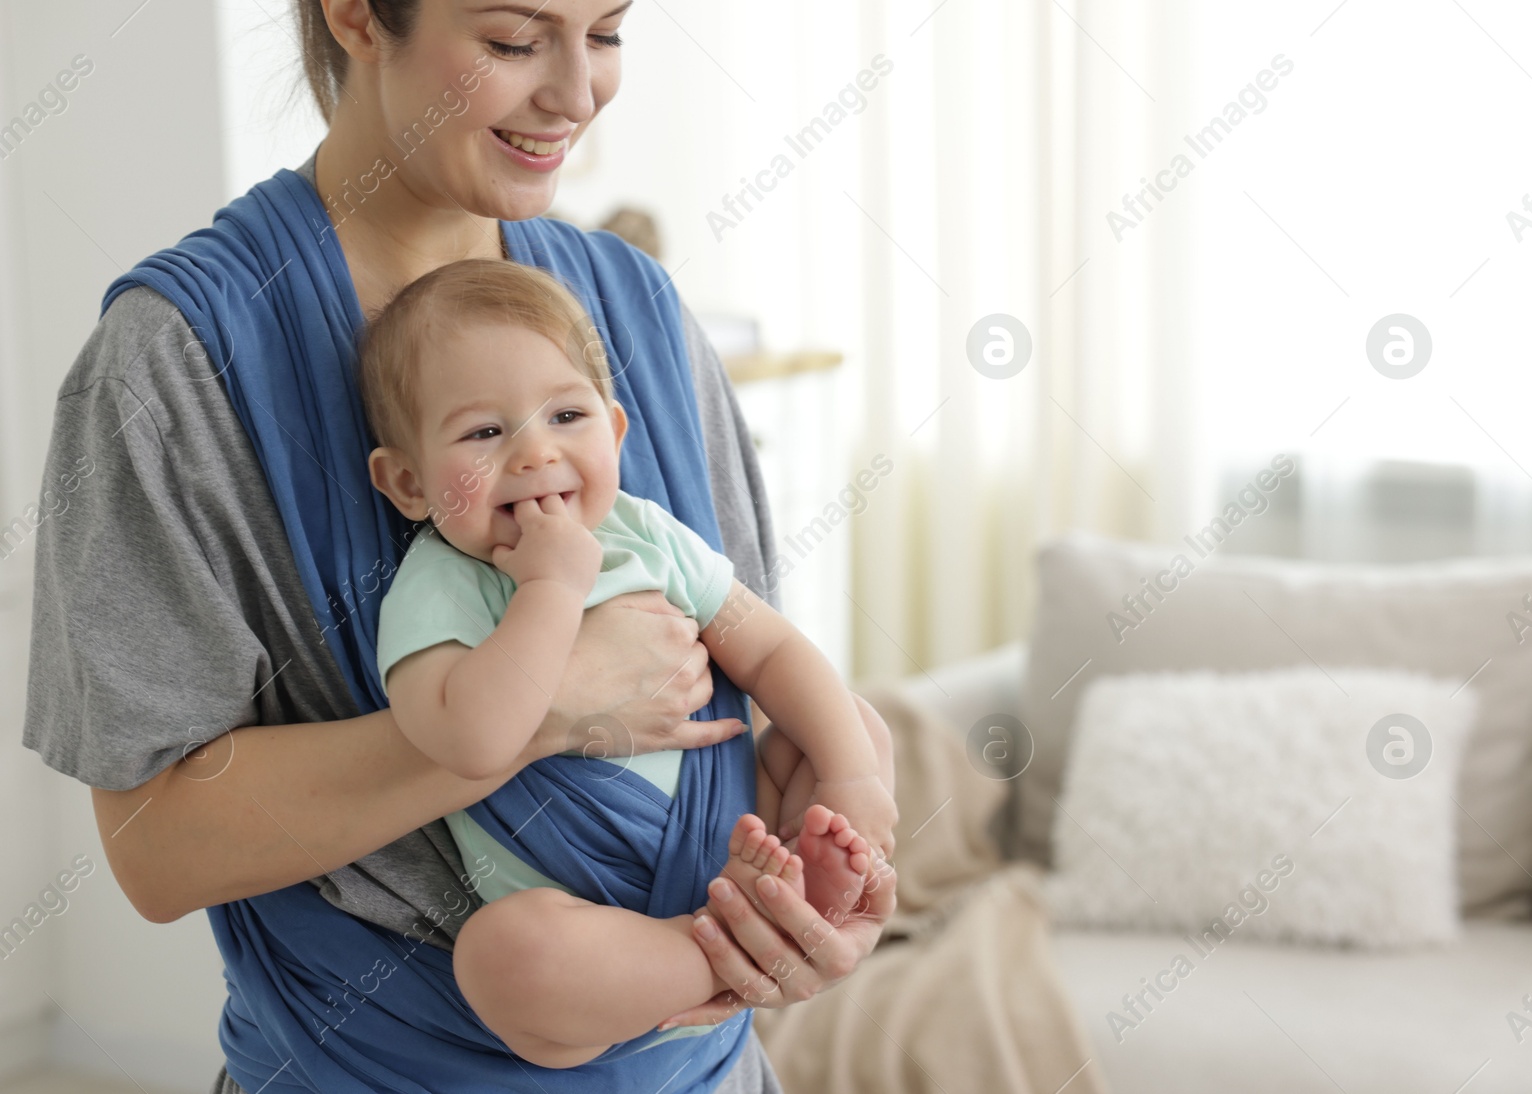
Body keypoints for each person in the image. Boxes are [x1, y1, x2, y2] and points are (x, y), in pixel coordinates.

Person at [20, 1, 899, 1091]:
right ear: (353, 15)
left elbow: (748, 708)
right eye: (514, 39)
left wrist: (820, 900)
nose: (577, 93)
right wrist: (543, 708)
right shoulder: (171, 366)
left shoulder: (638, 310)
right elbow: (156, 847)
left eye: (610, 32)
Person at [356, 258, 898, 1067]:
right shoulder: (434, 589)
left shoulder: (645, 532)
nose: (537, 453)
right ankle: (717, 951)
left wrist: (854, 777)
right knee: (505, 958)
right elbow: (469, 742)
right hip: (592, 920)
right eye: (484, 432)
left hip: (739, 825)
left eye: (565, 415)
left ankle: (794, 895)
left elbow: (772, 645)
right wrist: (549, 585)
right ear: (406, 481)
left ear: (613, 432)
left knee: (842, 720)